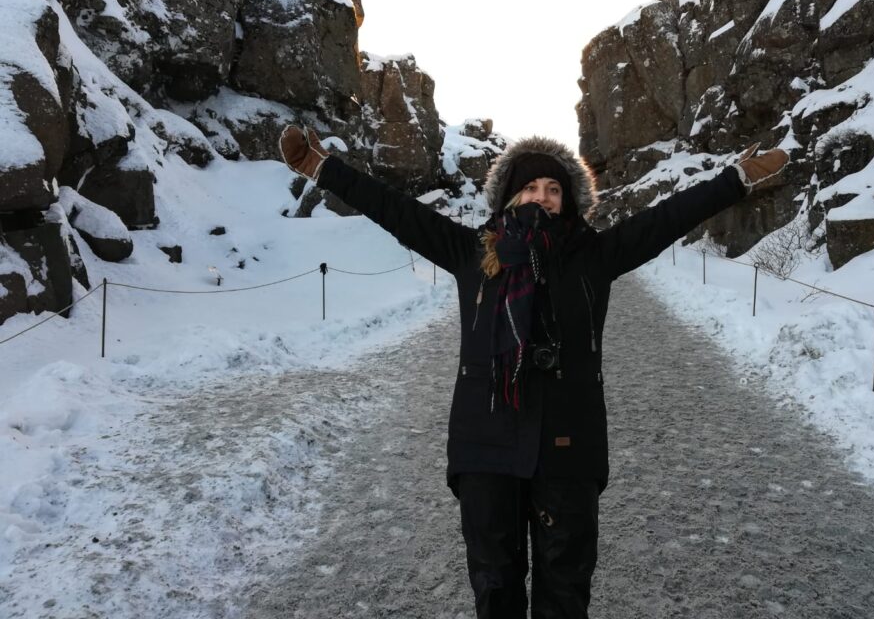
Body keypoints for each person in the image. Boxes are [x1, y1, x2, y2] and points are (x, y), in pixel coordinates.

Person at [279, 126, 788, 618]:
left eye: (552, 189)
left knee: (564, 591)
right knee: (495, 586)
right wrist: (322, 167)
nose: (541, 197)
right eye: (528, 187)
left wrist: (735, 179)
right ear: (507, 198)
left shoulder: (594, 256)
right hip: (485, 445)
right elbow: (394, 209)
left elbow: (668, 218)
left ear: (569, 200)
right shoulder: (472, 252)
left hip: (569, 447)